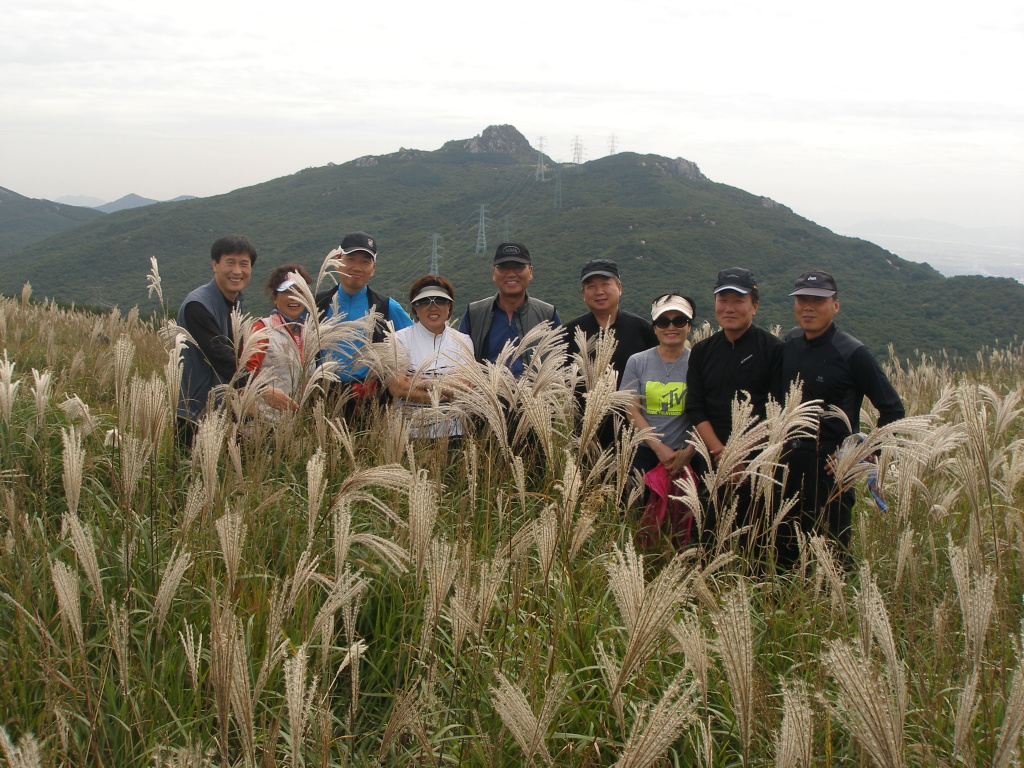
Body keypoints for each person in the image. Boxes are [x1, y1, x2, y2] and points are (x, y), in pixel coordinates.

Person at [776, 270, 905, 566]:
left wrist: (861, 455)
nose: (808, 307)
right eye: (802, 300)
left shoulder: (852, 352)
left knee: (830, 557)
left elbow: (893, 410)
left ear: (835, 305)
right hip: (788, 467)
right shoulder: (791, 342)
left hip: (831, 472)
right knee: (785, 553)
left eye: (818, 300)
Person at [685, 267, 783, 552]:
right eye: (722, 300)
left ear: (754, 306)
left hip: (757, 463)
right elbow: (695, 407)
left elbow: (777, 411)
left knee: (754, 540)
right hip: (712, 460)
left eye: (738, 301)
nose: (729, 308)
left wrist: (740, 457)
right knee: (706, 536)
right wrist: (721, 454)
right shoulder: (703, 351)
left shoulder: (773, 349)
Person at [620, 294, 698, 546]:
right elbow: (632, 409)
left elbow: (706, 412)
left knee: (681, 527)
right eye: (663, 321)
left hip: (687, 457)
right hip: (645, 454)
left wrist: (688, 451)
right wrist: (658, 448)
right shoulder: (638, 361)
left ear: (689, 325)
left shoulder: (699, 362)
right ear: (654, 327)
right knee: (639, 523)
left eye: (679, 320)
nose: (671, 327)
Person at [314, 231, 413, 416]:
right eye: (351, 259)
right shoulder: (318, 303)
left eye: (365, 262)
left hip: (369, 402)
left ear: (373, 269)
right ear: (337, 260)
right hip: (321, 399)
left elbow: (413, 341)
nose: (357, 267)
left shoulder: (387, 307)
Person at [565, 258, 658, 448]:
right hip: (587, 436)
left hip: (636, 433)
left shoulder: (641, 329)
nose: (599, 292)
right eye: (591, 286)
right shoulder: (570, 332)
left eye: (606, 284)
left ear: (619, 287)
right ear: (583, 293)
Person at [176, 234, 257, 446]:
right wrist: (261, 389)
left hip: (221, 409)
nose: (237, 271)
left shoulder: (233, 303)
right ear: (215, 264)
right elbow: (221, 357)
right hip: (194, 411)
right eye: (230, 262)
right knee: (193, 474)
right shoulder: (198, 305)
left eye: (244, 264)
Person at [387, 275, 475, 439]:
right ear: (415, 308)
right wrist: (442, 391)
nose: (433, 307)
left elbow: (464, 387)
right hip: (409, 434)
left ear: (449, 306)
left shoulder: (463, 341)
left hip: (453, 433)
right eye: (425, 301)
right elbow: (397, 387)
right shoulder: (399, 339)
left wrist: (420, 382)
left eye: (440, 301)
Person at [458, 242, 559, 378]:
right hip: (485, 396)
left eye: (518, 267)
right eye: (503, 268)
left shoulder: (547, 314)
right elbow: (460, 360)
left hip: (533, 397)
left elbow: (559, 362)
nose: (511, 274)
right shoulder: (475, 313)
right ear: (494, 273)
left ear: (530, 272)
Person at [244, 264, 315, 418]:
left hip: (294, 427)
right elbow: (244, 376)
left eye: (300, 291)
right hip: (261, 426)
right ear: (275, 298)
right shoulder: (262, 329)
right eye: (287, 291)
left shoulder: (309, 334)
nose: (294, 297)